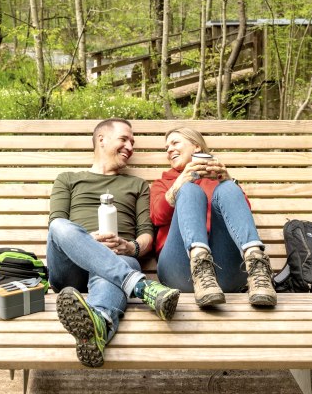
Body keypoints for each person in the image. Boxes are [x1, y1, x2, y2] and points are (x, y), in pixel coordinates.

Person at [47, 118, 180, 368]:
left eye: (133, 143)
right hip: (70, 271)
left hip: (120, 257)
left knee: (118, 264)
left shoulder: (137, 185)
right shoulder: (68, 179)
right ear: (101, 140)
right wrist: (90, 241)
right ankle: (140, 287)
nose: (130, 147)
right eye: (124, 139)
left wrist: (131, 247)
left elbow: (146, 234)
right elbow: (57, 225)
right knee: (58, 227)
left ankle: (100, 324)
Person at [150, 127, 277, 307]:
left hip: (226, 273)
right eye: (166, 148)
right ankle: (200, 263)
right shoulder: (162, 183)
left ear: (196, 147)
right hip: (178, 271)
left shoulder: (219, 180)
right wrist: (179, 184)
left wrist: (227, 180)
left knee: (229, 188)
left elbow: (242, 217)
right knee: (189, 190)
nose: (169, 150)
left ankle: (258, 269)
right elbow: (157, 217)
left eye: (175, 143)